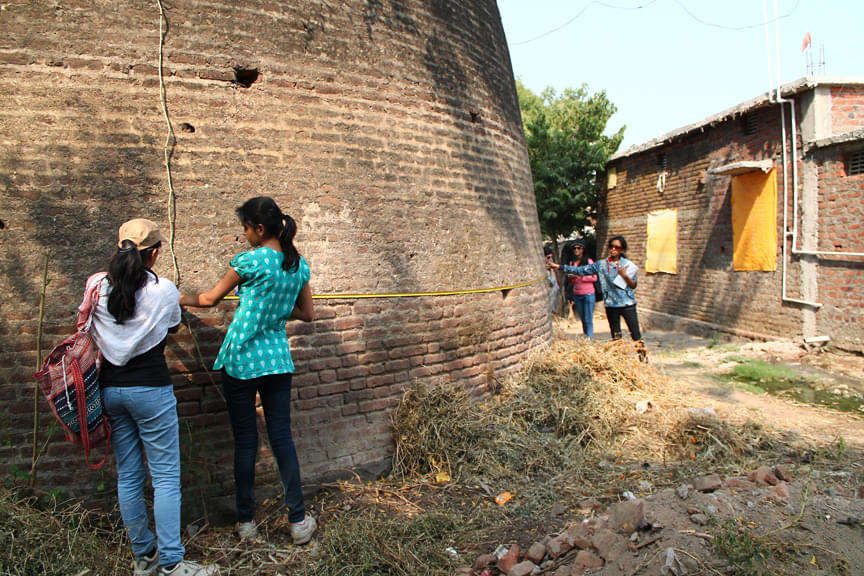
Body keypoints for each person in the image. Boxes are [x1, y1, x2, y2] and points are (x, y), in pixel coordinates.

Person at [179, 197, 317, 545]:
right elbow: (307, 314)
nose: (244, 235)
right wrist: (276, 308)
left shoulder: (250, 261)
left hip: (242, 358)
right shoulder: (297, 265)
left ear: (259, 228)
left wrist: (177, 298)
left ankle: (246, 523)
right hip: (277, 360)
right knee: (282, 438)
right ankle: (298, 521)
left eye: (245, 228)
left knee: (245, 441)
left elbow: (209, 299)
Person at [90, 219, 220, 576]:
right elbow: (173, 325)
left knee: (129, 476)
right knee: (164, 478)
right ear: (155, 252)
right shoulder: (162, 290)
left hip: (110, 390)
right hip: (150, 390)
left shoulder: (96, 285)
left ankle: (143, 558)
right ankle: (172, 563)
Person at [548, 235, 647, 361]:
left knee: (635, 334)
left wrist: (625, 276)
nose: (613, 249)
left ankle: (643, 359)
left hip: (627, 304)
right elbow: (581, 270)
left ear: (622, 250)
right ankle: (619, 361)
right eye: (611, 246)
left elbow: (633, 285)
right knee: (616, 337)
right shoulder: (602, 264)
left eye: (617, 247)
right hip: (611, 305)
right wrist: (559, 267)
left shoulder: (627, 265)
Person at [565, 240, 598, 338]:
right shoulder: (572, 263)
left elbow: (594, 278)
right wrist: (571, 278)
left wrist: (579, 277)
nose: (576, 250)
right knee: (582, 318)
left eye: (579, 248)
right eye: (574, 248)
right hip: (577, 294)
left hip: (588, 294)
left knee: (588, 318)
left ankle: (590, 338)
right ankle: (585, 335)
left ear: (583, 249)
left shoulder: (588, 262)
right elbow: (571, 280)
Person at [544, 245, 561, 315]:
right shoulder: (544, 271)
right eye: (548, 257)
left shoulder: (553, 269)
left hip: (554, 300)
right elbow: (552, 282)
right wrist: (551, 270)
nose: (550, 260)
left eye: (551, 257)